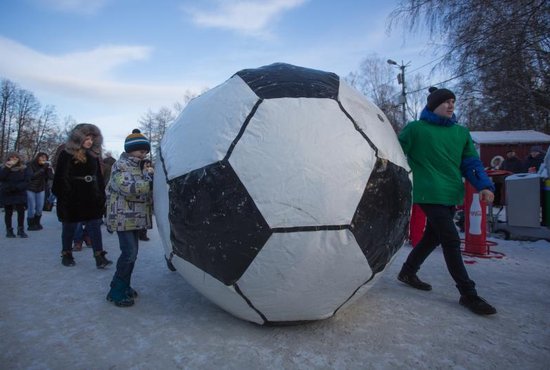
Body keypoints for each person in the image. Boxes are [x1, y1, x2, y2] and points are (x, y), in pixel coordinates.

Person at [397, 86, 497, 315]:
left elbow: (471, 163)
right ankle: (468, 294)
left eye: (453, 101)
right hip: (427, 191)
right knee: (451, 239)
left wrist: (484, 186)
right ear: (433, 105)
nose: (451, 105)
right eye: (446, 101)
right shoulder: (415, 129)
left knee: (432, 237)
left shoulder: (461, 133)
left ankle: (408, 271)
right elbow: (394, 152)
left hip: (451, 192)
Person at [52, 123, 112, 268]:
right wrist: (65, 197)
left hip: (91, 196)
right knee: (69, 228)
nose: (90, 141)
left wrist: (100, 196)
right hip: (72, 197)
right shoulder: (66, 154)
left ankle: (99, 256)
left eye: (92, 138)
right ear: (78, 138)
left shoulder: (93, 155)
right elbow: (60, 178)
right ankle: (66, 254)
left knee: (95, 227)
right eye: (87, 138)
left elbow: (98, 176)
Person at [105, 129, 153, 307]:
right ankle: (116, 291)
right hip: (122, 217)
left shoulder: (140, 168)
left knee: (132, 254)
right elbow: (127, 188)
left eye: (145, 152)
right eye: (141, 151)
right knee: (129, 254)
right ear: (130, 150)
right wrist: (150, 183)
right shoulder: (121, 165)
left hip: (134, 218)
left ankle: (123, 285)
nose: (144, 155)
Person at [0, 152, 30, 238]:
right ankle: (9, 230)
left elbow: (27, 180)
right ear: (8, 158)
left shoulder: (24, 168)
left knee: (21, 211)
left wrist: (17, 187)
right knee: (8, 212)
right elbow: (1, 178)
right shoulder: (3, 167)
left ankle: (21, 229)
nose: (14, 159)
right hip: (7, 192)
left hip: (19, 192)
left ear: (19, 158)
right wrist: (7, 168)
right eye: (11, 157)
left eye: (16, 157)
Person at [26, 152, 54, 230]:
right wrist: (43, 169)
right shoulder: (30, 164)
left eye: (45, 158)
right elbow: (32, 176)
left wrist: (49, 169)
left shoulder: (45, 167)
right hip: (30, 188)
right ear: (37, 157)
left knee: (40, 207)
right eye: (42, 157)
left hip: (41, 188)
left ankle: (37, 222)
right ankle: (30, 224)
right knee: (32, 207)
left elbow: (51, 177)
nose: (43, 159)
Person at [138, 158, 154, 241]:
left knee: (146, 217)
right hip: (140, 199)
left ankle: (143, 234)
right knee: (141, 217)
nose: (147, 165)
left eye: (148, 164)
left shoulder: (149, 172)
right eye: (145, 164)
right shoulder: (139, 173)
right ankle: (141, 234)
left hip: (147, 197)